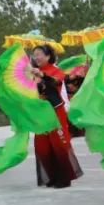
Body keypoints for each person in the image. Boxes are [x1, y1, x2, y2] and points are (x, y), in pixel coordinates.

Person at [30, 44, 82, 189]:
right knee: (42, 146)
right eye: (35, 54)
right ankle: (51, 176)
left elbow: (56, 82)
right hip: (41, 114)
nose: (37, 57)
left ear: (48, 56)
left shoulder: (56, 71)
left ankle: (64, 178)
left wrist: (42, 76)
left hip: (55, 111)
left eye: (40, 53)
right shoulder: (34, 73)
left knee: (59, 143)